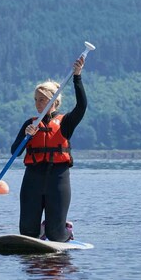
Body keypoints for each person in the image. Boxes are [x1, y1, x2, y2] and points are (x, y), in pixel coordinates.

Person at [11, 56, 87, 242]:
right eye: (36, 100)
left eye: (43, 100)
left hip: (57, 179)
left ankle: (64, 231)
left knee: (55, 235)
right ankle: (39, 231)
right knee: (27, 232)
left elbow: (82, 106)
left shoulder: (66, 123)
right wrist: (26, 136)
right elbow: (15, 151)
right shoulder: (30, 124)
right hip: (32, 179)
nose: (38, 104)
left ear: (55, 102)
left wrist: (77, 77)